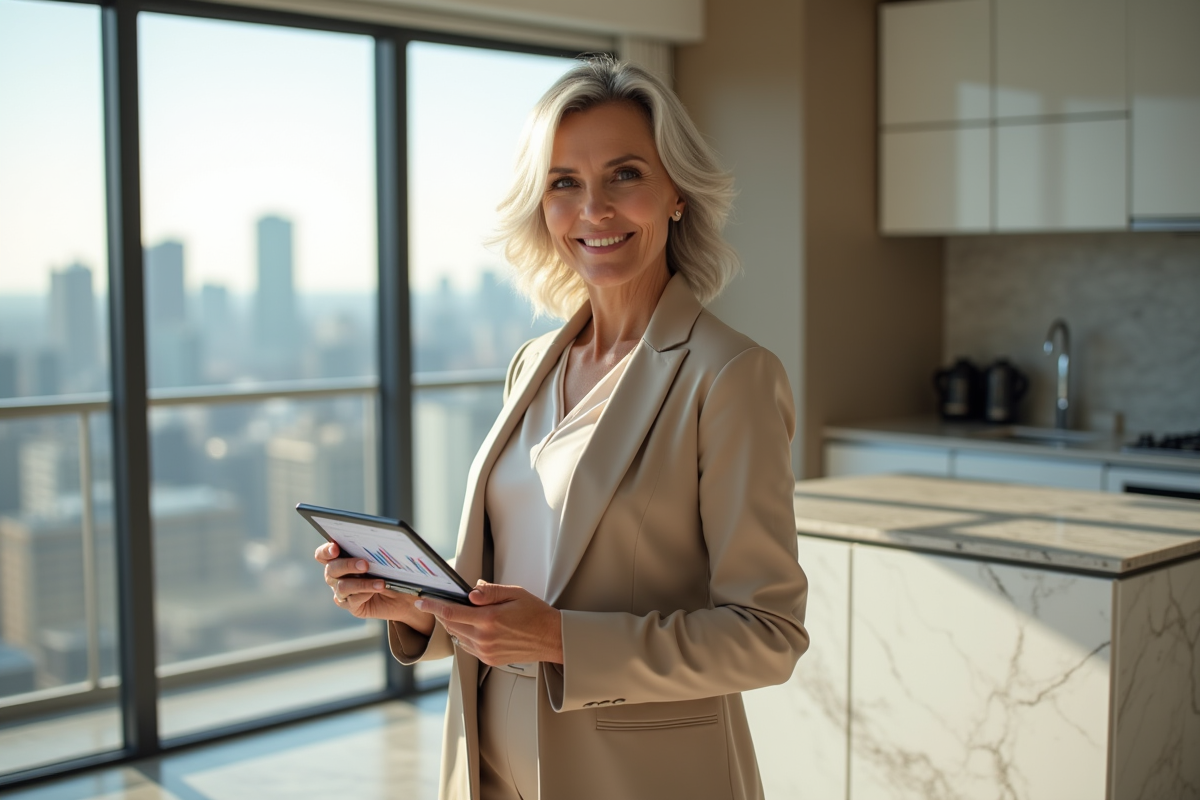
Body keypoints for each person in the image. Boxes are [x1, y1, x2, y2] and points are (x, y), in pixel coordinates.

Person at [316, 56, 809, 800]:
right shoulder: (532, 363)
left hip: (641, 779)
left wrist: (559, 640)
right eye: (564, 183)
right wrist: (418, 604)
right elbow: (516, 586)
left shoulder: (730, 376)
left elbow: (766, 636)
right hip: (488, 766)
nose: (594, 210)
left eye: (626, 175)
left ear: (676, 192)